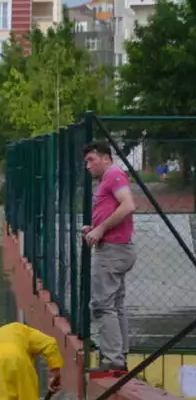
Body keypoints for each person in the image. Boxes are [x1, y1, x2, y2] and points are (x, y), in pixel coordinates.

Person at [81, 141, 136, 377]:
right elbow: (114, 208)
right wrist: (92, 228)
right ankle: (120, 355)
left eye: (91, 160)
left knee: (103, 305)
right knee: (116, 304)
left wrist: (101, 230)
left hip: (113, 250)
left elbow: (128, 205)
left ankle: (113, 360)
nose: (88, 166)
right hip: (117, 247)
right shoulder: (109, 179)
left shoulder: (114, 175)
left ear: (106, 158)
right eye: (86, 162)